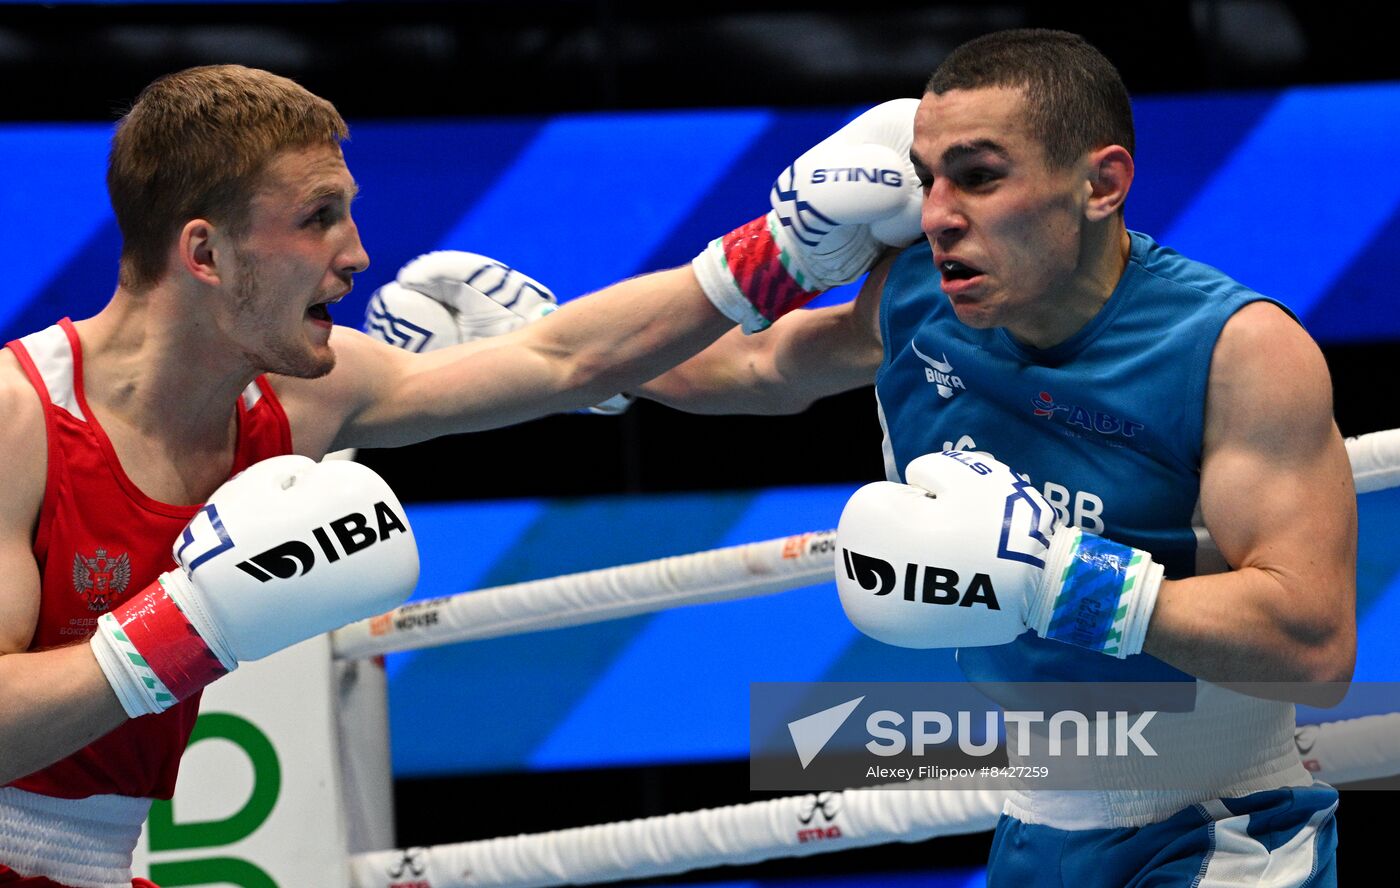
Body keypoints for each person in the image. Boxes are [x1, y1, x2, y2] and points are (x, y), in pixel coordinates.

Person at [0, 64, 909, 886]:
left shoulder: (303, 398)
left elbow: (562, 361)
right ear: (204, 255)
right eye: (317, 218)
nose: (355, 254)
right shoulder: (18, 417)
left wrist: (778, 247)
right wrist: (194, 625)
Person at [635, 28, 1354, 887]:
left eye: (978, 177)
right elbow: (755, 365)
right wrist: (578, 362)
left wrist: (1061, 580)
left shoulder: (1234, 350)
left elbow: (1315, 646)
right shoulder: (918, 300)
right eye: (929, 177)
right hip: (1035, 823)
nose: (937, 213)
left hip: (1224, 824)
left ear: (1102, 183)